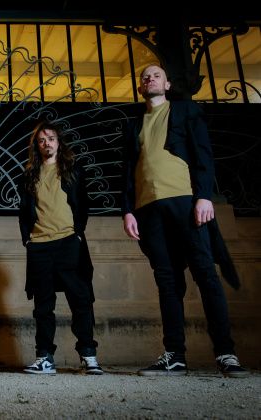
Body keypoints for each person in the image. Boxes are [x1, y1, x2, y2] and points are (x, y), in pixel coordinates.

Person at [121, 63, 248, 378]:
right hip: (148, 209)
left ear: (167, 85)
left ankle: (226, 353)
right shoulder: (133, 124)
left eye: (157, 75)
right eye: (145, 76)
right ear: (140, 87)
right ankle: (175, 355)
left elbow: (203, 153)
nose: (150, 79)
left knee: (205, 274)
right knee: (167, 281)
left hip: (184, 200)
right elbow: (128, 170)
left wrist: (204, 196)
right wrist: (128, 210)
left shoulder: (185, 111)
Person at [18, 121, 102, 375]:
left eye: (51, 139)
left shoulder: (73, 170)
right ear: (37, 146)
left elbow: (83, 204)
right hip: (39, 245)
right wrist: (28, 240)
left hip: (68, 241)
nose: (47, 143)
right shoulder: (29, 175)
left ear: (59, 142)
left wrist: (77, 234)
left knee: (81, 299)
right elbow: (24, 211)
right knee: (43, 305)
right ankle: (45, 358)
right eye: (42, 140)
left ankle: (88, 355)